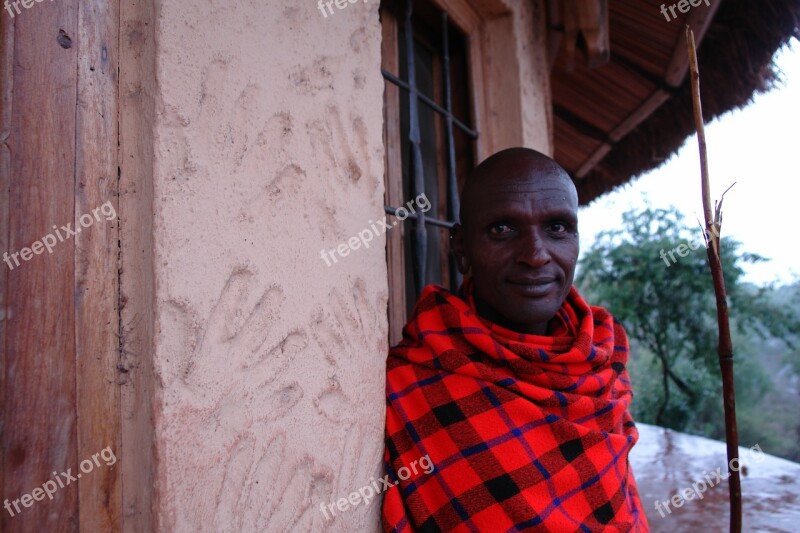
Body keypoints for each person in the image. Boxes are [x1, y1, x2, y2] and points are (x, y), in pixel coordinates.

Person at [381, 148, 649, 532]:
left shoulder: (604, 357)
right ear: (461, 249)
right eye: (502, 229)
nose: (536, 255)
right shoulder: (417, 381)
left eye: (557, 227)